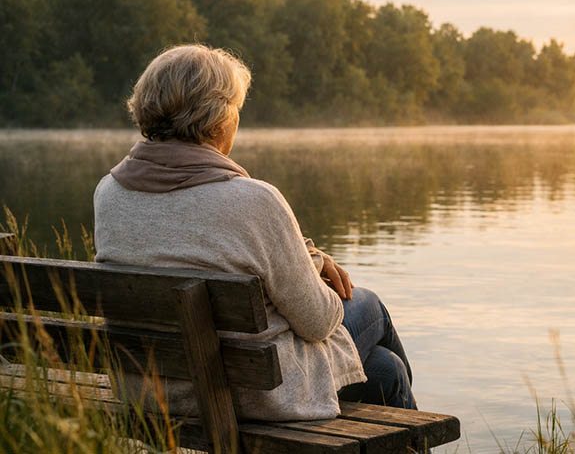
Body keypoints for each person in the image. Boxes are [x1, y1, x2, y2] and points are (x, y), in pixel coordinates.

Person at [93, 44, 417, 420]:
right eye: (236, 108)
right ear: (219, 118)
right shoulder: (254, 200)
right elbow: (317, 321)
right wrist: (312, 266)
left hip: (149, 389)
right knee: (370, 306)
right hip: (251, 392)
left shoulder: (109, 192)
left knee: (385, 369)